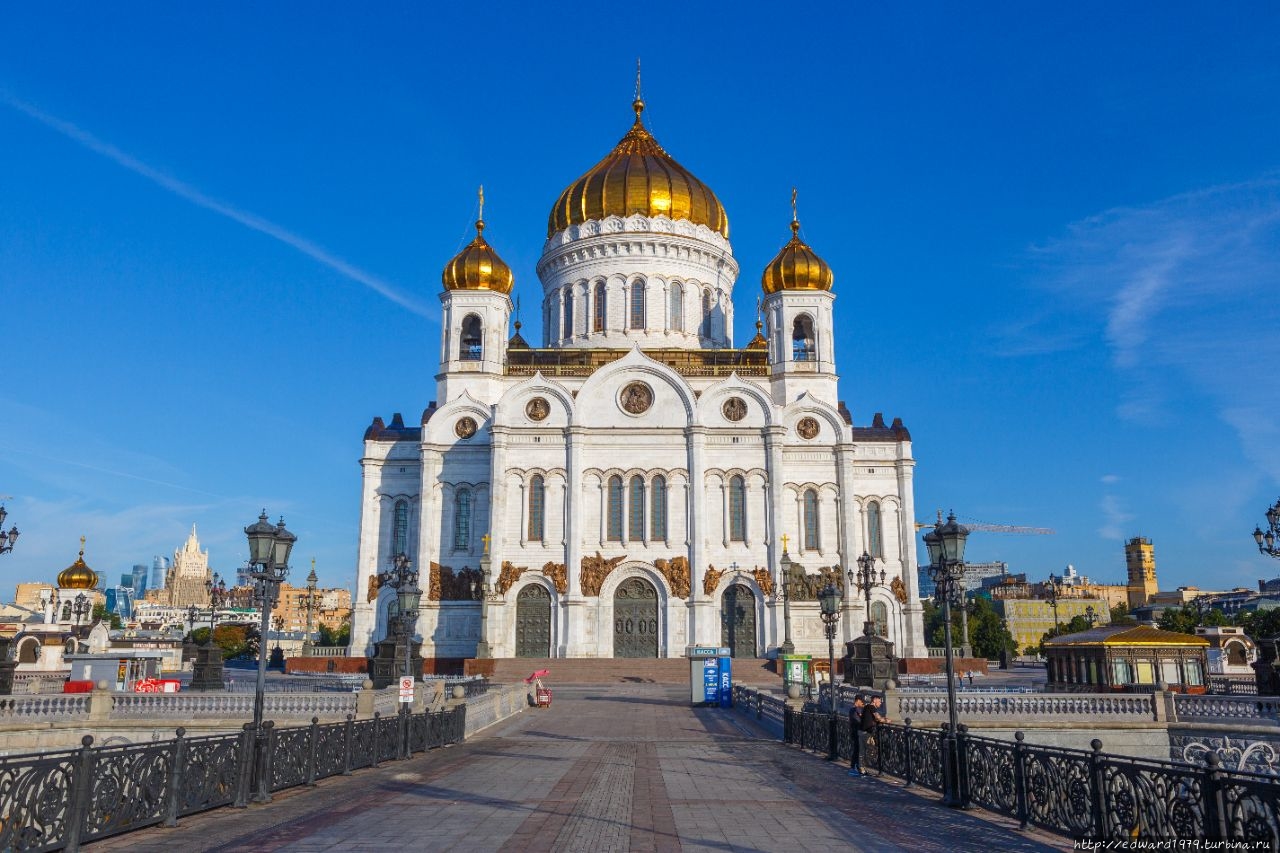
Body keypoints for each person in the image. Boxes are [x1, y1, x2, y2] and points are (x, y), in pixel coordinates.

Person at [860, 695, 890, 776]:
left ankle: (863, 769)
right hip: (866, 733)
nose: (880, 703)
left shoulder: (867, 707)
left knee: (864, 751)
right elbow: (878, 718)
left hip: (863, 731)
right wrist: (886, 720)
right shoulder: (871, 707)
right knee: (871, 750)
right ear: (874, 700)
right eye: (879, 701)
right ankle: (865, 769)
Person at [847, 695, 866, 776]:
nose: (863, 704)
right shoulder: (854, 710)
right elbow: (858, 721)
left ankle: (855, 768)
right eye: (862, 702)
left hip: (856, 732)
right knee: (858, 751)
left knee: (857, 750)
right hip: (857, 733)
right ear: (858, 701)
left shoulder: (854, 710)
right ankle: (857, 768)